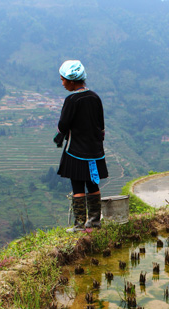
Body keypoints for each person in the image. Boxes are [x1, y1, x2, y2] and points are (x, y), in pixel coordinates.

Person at [54, 60, 108, 232]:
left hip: (76, 150)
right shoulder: (95, 97)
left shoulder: (72, 100)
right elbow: (101, 125)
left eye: (63, 79)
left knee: (77, 186)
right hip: (95, 151)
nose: (62, 83)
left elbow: (63, 125)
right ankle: (94, 222)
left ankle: (79, 225)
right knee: (93, 184)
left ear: (71, 80)